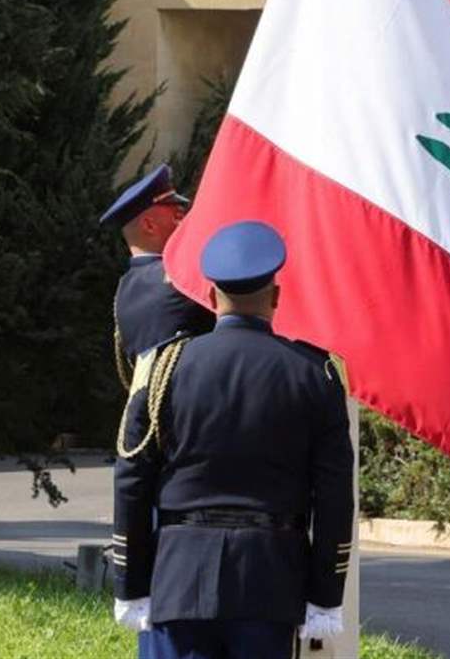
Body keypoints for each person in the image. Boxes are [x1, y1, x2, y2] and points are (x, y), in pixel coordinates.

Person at [112, 220, 354, 659]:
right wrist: (325, 594)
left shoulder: (168, 368)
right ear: (276, 299)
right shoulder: (312, 375)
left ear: (209, 298)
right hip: (271, 580)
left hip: (179, 578)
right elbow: (334, 495)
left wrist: (130, 582)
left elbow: (132, 476)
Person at [100, 163, 214, 390]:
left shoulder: (127, 286)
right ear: (149, 225)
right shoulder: (178, 277)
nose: (183, 224)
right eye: (177, 215)